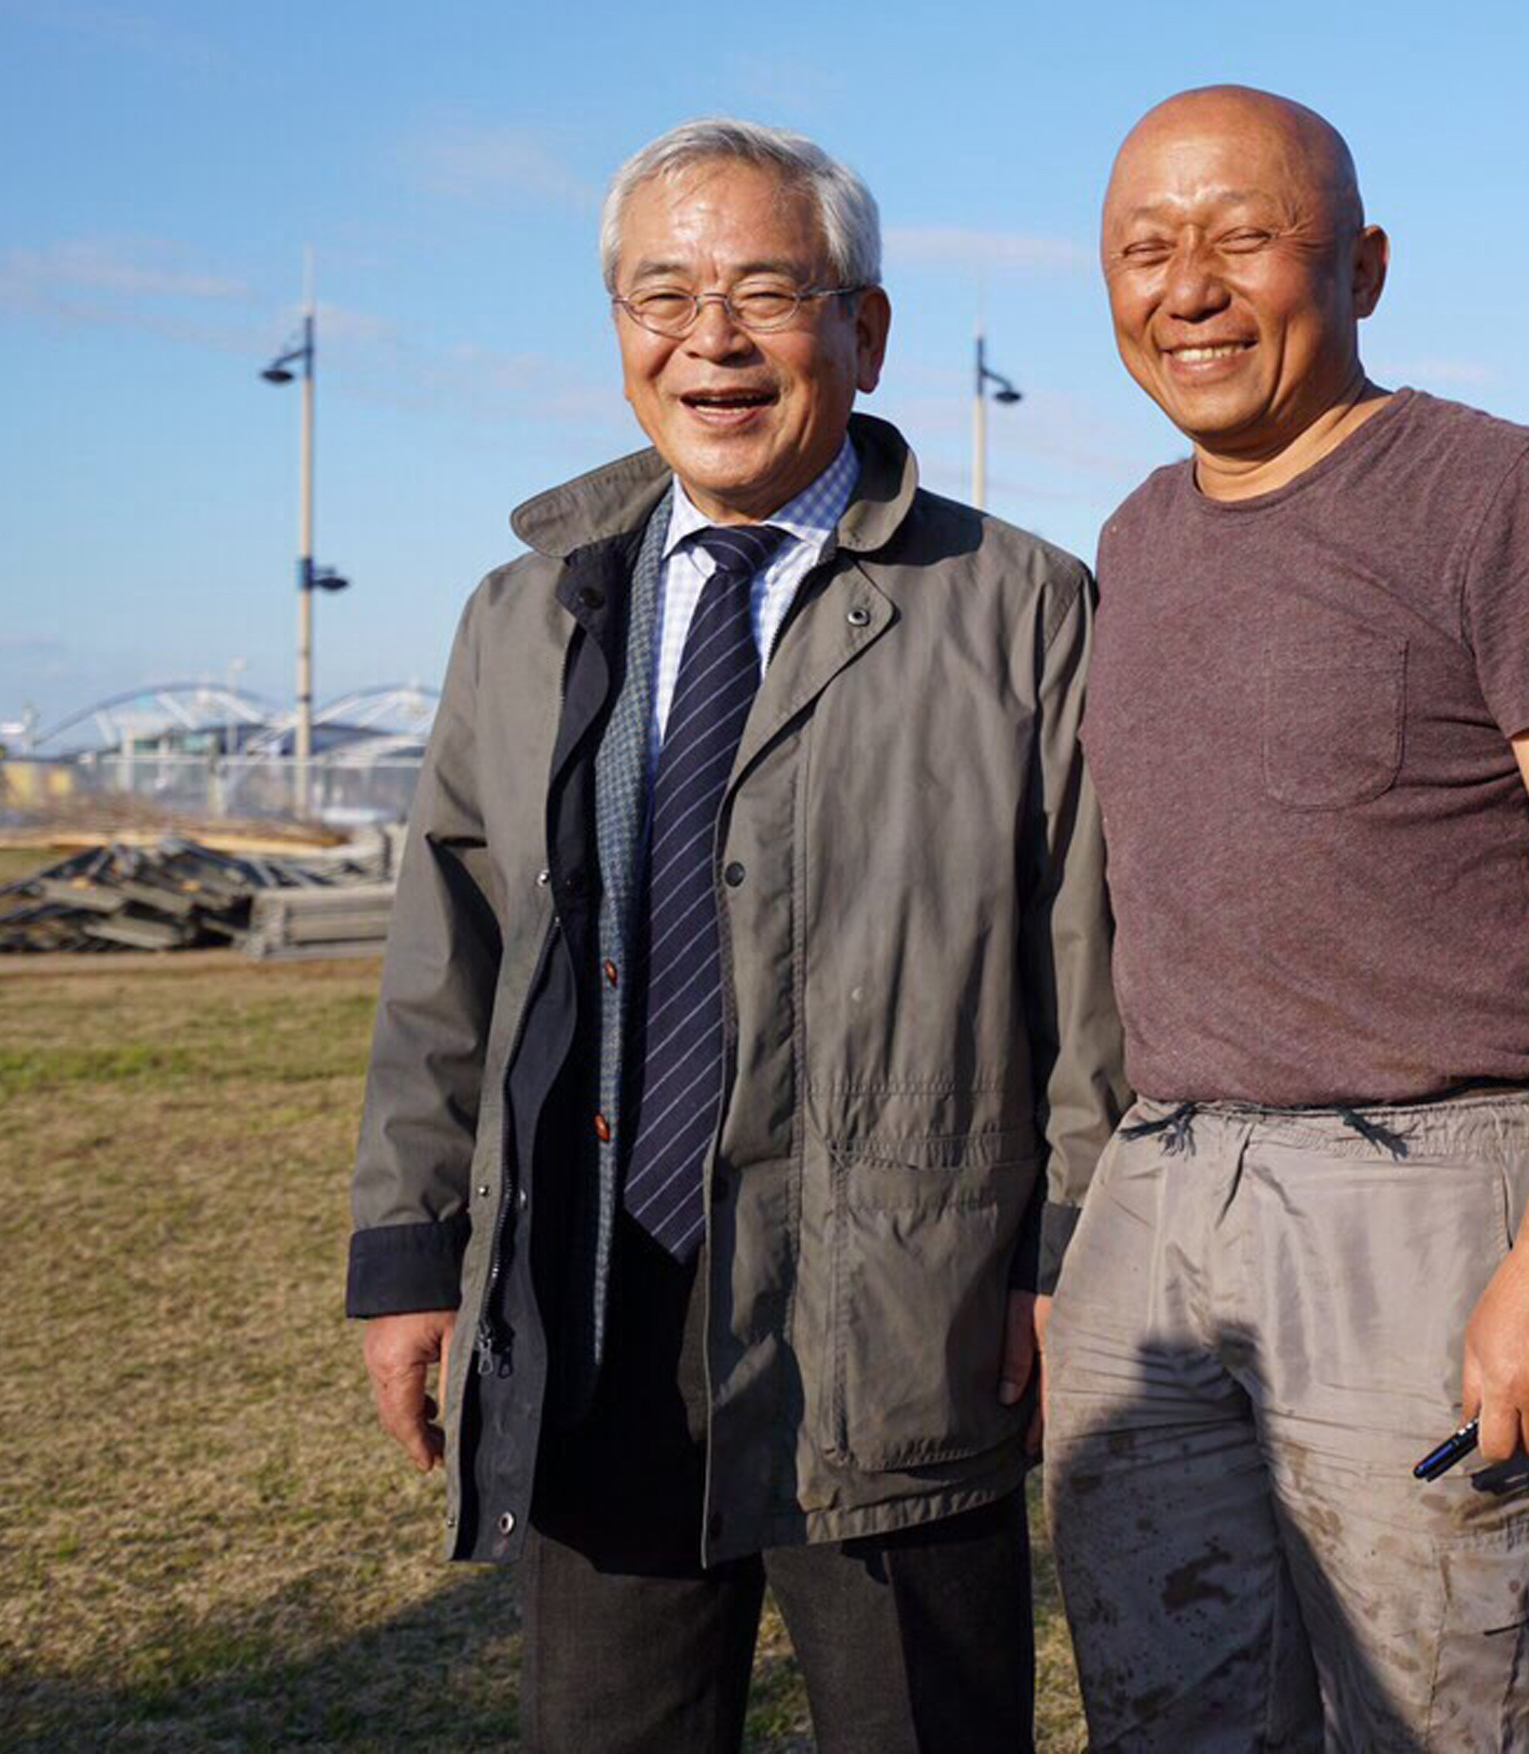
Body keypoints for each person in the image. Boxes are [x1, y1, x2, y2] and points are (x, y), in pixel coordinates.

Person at [345, 118, 1125, 1750]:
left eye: (767, 291)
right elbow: (451, 961)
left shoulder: (1023, 608)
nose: (710, 336)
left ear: (866, 329)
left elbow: (1095, 972)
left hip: (902, 1321)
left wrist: (1068, 1257)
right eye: (661, 292)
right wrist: (413, 1253)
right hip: (599, 1303)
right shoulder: (529, 609)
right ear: (619, 331)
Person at [1044, 85, 1529, 1748]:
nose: (1187, 285)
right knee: (1162, 1697)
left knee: (1437, 1701)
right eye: (1143, 247)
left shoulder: (1501, 497)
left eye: (1244, 237)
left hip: (1421, 1195)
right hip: (1162, 1188)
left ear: (1366, 266)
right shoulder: (1132, 538)